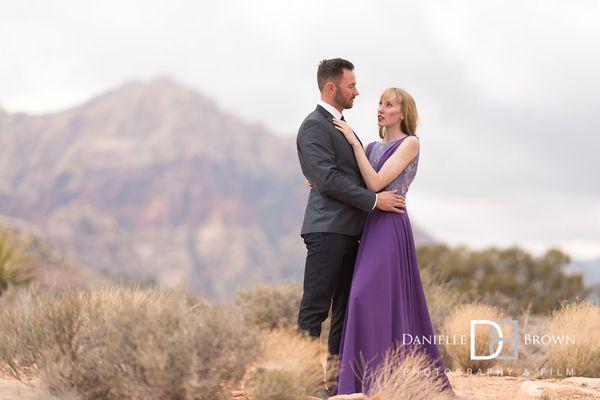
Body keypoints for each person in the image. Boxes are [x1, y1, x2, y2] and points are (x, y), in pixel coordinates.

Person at [332, 87, 454, 396]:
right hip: (370, 226)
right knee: (367, 301)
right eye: (380, 103)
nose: (381, 109)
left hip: (390, 227)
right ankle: (364, 381)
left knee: (364, 296)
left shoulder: (410, 143)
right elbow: (358, 186)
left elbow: (375, 182)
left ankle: (387, 380)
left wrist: (352, 142)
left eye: (389, 104)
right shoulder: (372, 146)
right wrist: (320, 178)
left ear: (403, 113)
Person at [296, 59, 406, 399]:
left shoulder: (344, 127)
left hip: (354, 232)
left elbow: (344, 174)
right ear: (332, 87)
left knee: (343, 310)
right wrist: (375, 202)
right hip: (327, 230)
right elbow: (327, 180)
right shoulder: (314, 126)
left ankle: (334, 384)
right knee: (315, 308)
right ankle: (304, 383)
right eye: (352, 85)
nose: (357, 91)